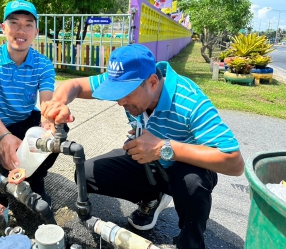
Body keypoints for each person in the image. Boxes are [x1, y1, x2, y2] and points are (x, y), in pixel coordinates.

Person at [41, 44, 245, 249]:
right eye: (115, 92)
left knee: (193, 182)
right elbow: (74, 85)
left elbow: (234, 162)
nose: (120, 101)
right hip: (150, 163)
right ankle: (152, 198)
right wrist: (58, 102)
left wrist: (162, 148)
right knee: (85, 173)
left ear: (153, 82)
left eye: (126, 93)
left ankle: (190, 242)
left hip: (183, 168)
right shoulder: (129, 80)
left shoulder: (190, 101)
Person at [0, 0, 58, 206]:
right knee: (1, 155)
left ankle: (34, 177)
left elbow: (47, 105)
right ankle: (6, 183)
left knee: (57, 134)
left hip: (25, 120)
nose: (21, 30)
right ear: (3, 28)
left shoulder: (43, 64)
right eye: (14, 23)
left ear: (36, 32)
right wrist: (3, 137)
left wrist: (49, 126)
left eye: (29, 24)